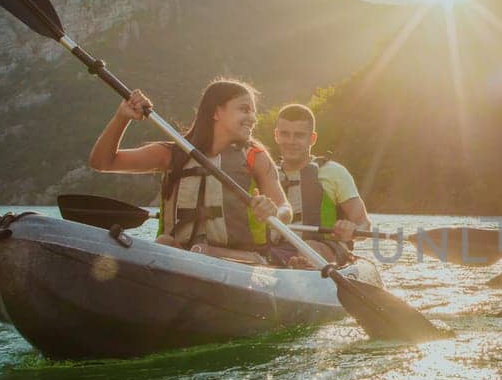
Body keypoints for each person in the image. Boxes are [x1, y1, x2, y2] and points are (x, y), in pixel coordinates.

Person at [87, 78, 290, 265]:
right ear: (216, 112)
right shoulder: (173, 154)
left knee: (200, 250)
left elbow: (285, 209)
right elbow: (103, 162)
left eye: (253, 111)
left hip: (243, 261)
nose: (252, 118)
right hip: (181, 258)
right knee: (165, 242)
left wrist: (274, 212)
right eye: (244, 110)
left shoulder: (255, 156)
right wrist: (122, 117)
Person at [271, 102, 371, 262]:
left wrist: (351, 230)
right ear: (276, 135)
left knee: (309, 247)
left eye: (299, 135)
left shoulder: (334, 172)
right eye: (285, 134)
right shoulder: (268, 173)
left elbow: (364, 224)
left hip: (326, 249)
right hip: (279, 250)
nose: (291, 141)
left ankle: (301, 265)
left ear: (312, 138)